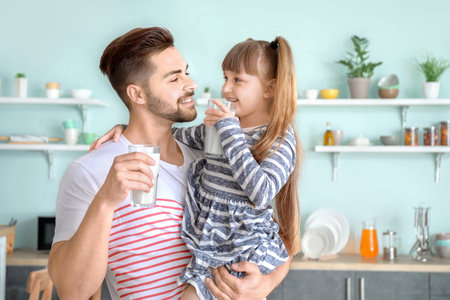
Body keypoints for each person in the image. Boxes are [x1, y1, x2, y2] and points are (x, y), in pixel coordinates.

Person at [48, 26, 292, 300]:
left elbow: (266, 230)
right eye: (175, 78)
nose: (191, 84)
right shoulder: (92, 170)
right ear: (137, 95)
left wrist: (267, 281)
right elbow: (72, 291)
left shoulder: (210, 156)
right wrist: (105, 201)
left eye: (186, 72)